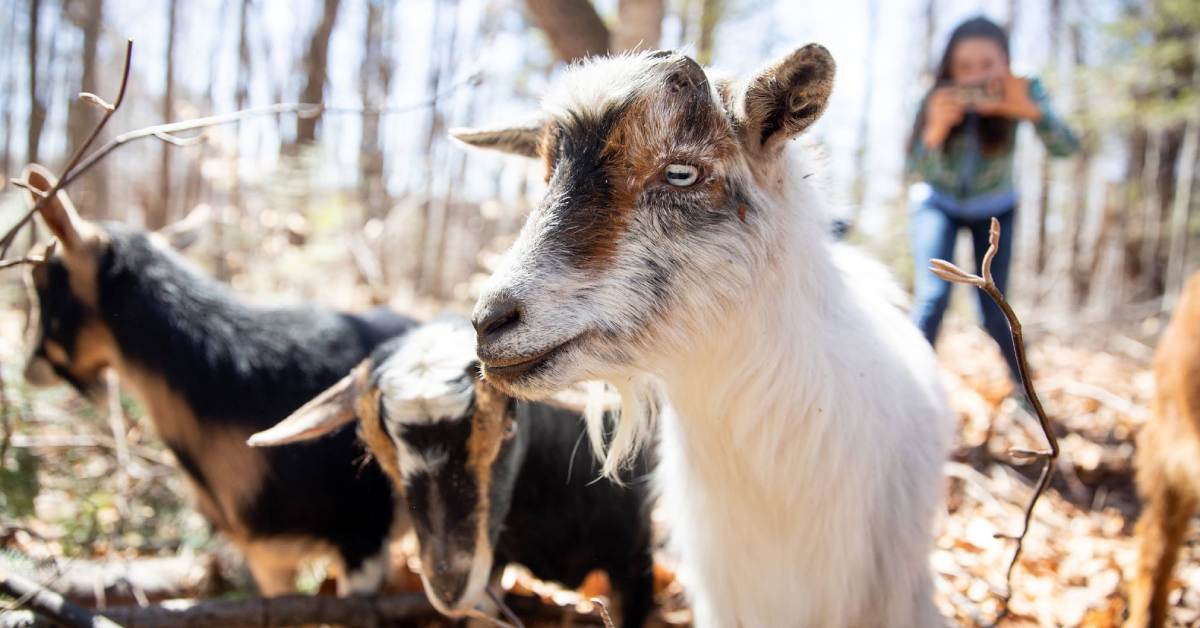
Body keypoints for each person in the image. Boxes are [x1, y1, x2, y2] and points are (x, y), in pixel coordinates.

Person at [907, 16, 1079, 383]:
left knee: (995, 307)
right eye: (964, 67)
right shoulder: (933, 93)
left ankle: (1026, 393)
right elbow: (911, 167)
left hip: (996, 208)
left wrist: (1029, 110)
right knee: (933, 296)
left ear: (1006, 61)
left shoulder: (1023, 86)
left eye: (987, 65)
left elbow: (1068, 147)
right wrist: (936, 130)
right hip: (937, 202)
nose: (975, 78)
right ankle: (908, 388)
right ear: (949, 67)